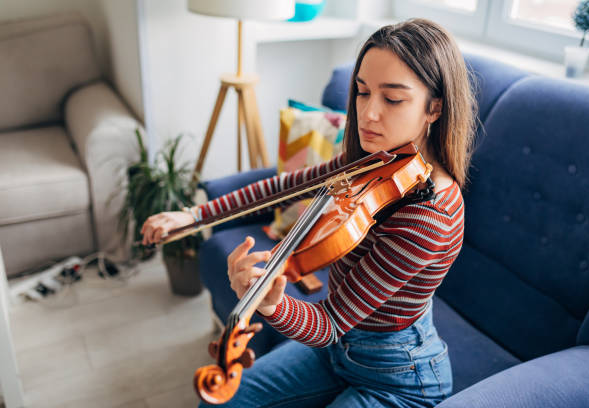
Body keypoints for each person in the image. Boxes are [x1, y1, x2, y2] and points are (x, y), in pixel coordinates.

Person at [142, 18, 476, 408]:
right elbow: (283, 187)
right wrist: (194, 216)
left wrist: (270, 304)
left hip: (397, 375)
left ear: (434, 107)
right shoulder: (377, 163)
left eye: (392, 99)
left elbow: (331, 322)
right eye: (362, 92)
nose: (367, 113)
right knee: (220, 404)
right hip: (336, 352)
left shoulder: (428, 216)